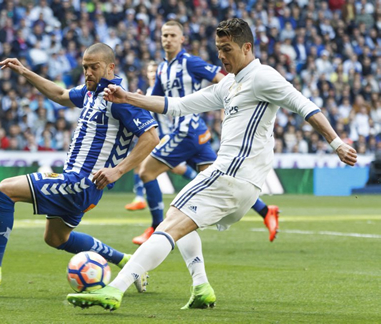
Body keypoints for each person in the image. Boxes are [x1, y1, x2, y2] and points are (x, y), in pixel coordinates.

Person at [66, 18, 357, 311]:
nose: (221, 56)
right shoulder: (230, 84)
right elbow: (178, 105)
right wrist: (127, 96)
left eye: (227, 49)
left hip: (229, 174)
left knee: (168, 226)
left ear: (247, 47)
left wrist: (337, 143)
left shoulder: (264, 77)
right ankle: (201, 286)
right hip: (244, 185)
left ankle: (115, 290)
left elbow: (305, 106)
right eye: (218, 48)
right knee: (178, 217)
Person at [0, 43, 160, 292]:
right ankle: (129, 263)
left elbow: (151, 137)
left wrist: (118, 170)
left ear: (110, 67)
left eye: (94, 67)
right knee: (55, 238)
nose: (88, 73)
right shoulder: (91, 92)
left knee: (5, 190)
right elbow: (60, 95)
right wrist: (25, 71)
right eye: (85, 67)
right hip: (81, 186)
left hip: (80, 183)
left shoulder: (117, 98)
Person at [129, 20, 279, 246]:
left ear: (182, 39)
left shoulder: (190, 62)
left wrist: (232, 103)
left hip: (186, 131)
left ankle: (156, 227)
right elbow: (157, 97)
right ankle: (266, 210)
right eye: (164, 35)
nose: (168, 39)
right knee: (222, 181)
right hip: (194, 135)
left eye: (172, 35)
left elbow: (224, 79)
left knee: (146, 172)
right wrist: (141, 97)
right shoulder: (162, 68)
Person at [125, 61, 199, 212]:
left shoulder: (163, 91)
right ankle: (139, 198)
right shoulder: (149, 91)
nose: (152, 74)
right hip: (153, 136)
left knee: (144, 162)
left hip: (164, 135)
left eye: (155, 71)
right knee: (172, 168)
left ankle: (199, 184)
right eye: (150, 71)